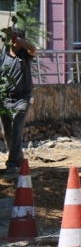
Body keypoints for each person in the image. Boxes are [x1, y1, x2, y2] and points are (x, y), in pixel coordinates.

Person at [0, 28, 37, 175]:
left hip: (23, 98)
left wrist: (20, 41)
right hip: (5, 98)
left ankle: (12, 163)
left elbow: (33, 49)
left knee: (17, 126)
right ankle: (19, 159)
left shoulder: (26, 55)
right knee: (8, 132)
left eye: (19, 41)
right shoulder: (2, 56)